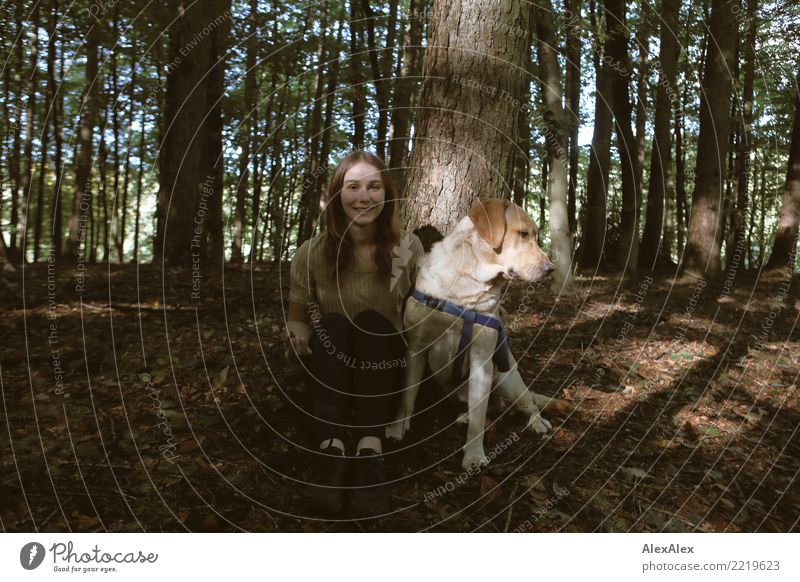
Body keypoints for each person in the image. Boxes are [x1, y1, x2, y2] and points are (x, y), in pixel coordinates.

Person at [284, 151, 424, 517]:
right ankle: (330, 451)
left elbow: (423, 313)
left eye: (374, 186)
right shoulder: (310, 253)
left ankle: (370, 450)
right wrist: (296, 338)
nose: (364, 196)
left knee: (372, 323)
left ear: (387, 193)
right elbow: (298, 318)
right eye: (353, 187)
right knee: (332, 325)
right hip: (332, 365)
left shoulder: (408, 248)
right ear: (337, 195)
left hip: (385, 365)